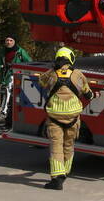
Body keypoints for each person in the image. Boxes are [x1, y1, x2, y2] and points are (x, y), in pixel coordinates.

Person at [37, 47, 94, 190]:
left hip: (55, 117)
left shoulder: (51, 74)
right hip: (73, 117)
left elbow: (41, 82)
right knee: (69, 145)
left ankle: (57, 178)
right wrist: (92, 96)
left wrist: (52, 70)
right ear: (71, 58)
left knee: (56, 146)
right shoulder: (78, 75)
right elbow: (87, 93)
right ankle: (65, 172)